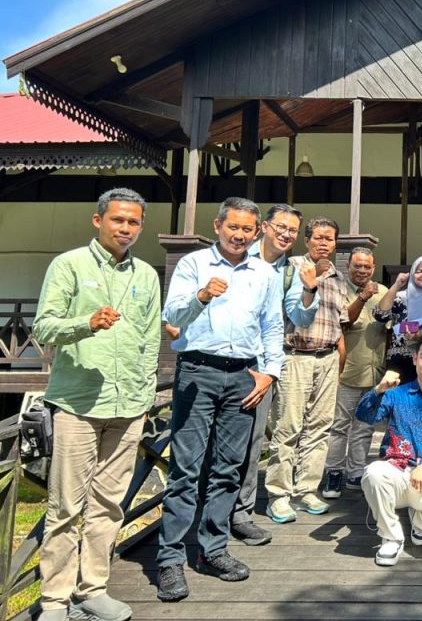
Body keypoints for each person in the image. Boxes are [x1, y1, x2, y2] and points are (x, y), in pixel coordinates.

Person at [33, 188, 161, 621]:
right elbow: (44, 327)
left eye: (133, 222)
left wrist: (145, 393)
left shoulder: (146, 274)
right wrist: (85, 324)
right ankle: (54, 599)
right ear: (98, 220)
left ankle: (92, 589)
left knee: (109, 504)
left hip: (130, 406)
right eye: (117, 220)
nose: (125, 228)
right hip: (78, 403)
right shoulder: (68, 265)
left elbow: (149, 339)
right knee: (66, 506)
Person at [157, 197, 284, 602]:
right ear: (217, 226)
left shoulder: (265, 273)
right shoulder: (193, 264)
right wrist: (201, 297)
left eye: (247, 229)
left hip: (244, 376)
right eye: (233, 227)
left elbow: (272, 326)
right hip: (198, 372)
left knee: (229, 468)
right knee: (185, 470)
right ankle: (170, 558)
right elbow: (172, 317)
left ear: (257, 232)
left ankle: (213, 549)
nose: (239, 235)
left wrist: (270, 372)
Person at [231, 204, 319, 546]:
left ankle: (241, 513)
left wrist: (309, 290)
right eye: (281, 227)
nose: (286, 234)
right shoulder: (237, 255)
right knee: (214, 444)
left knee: (252, 442)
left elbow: (300, 317)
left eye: (292, 230)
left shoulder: (290, 271)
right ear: (264, 227)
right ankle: (210, 509)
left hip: (260, 368)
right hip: (219, 361)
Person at [265, 217, 350, 525]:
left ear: (335, 243)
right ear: (307, 240)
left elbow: (340, 326)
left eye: (329, 238)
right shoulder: (292, 268)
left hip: (327, 358)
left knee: (320, 427)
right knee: (287, 426)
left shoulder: (339, 278)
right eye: (318, 237)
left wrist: (339, 364)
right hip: (295, 356)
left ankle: (307, 489)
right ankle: (278, 494)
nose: (323, 243)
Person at [356, 332, 422, 567]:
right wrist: (378, 389)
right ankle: (391, 537)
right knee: (373, 473)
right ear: (415, 359)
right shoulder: (396, 394)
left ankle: (421, 520)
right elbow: (364, 415)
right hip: (398, 470)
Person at [322, 247, 388, 498]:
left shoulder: (382, 292)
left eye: (367, 266)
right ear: (348, 266)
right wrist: (362, 297)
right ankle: (333, 471)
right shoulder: (338, 289)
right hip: (346, 371)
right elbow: (344, 321)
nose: (362, 270)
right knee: (339, 425)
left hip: (375, 371)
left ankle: (356, 471)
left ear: (373, 268)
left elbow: (390, 329)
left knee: (365, 425)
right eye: (357, 265)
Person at [373, 255, 422, 384]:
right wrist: (397, 285)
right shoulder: (401, 298)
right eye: (418, 271)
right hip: (400, 363)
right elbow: (380, 315)